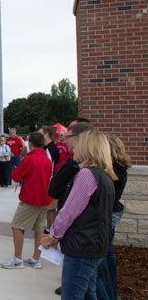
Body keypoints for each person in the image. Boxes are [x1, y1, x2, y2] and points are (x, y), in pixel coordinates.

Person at [41, 128, 116, 299]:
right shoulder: (104, 176)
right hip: (94, 245)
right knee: (90, 293)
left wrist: (53, 235)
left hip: (82, 247)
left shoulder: (86, 175)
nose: (72, 147)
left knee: (72, 295)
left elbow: (69, 211)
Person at [1, 132, 53, 269]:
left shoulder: (29, 160)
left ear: (30, 144)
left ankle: (17, 258)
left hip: (30, 198)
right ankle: (36, 259)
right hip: (44, 199)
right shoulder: (47, 160)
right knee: (39, 229)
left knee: (16, 225)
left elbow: (15, 176)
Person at [95, 134, 132, 300]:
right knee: (107, 254)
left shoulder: (111, 170)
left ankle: (106, 294)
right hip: (113, 212)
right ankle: (111, 292)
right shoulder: (120, 167)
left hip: (105, 215)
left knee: (99, 261)